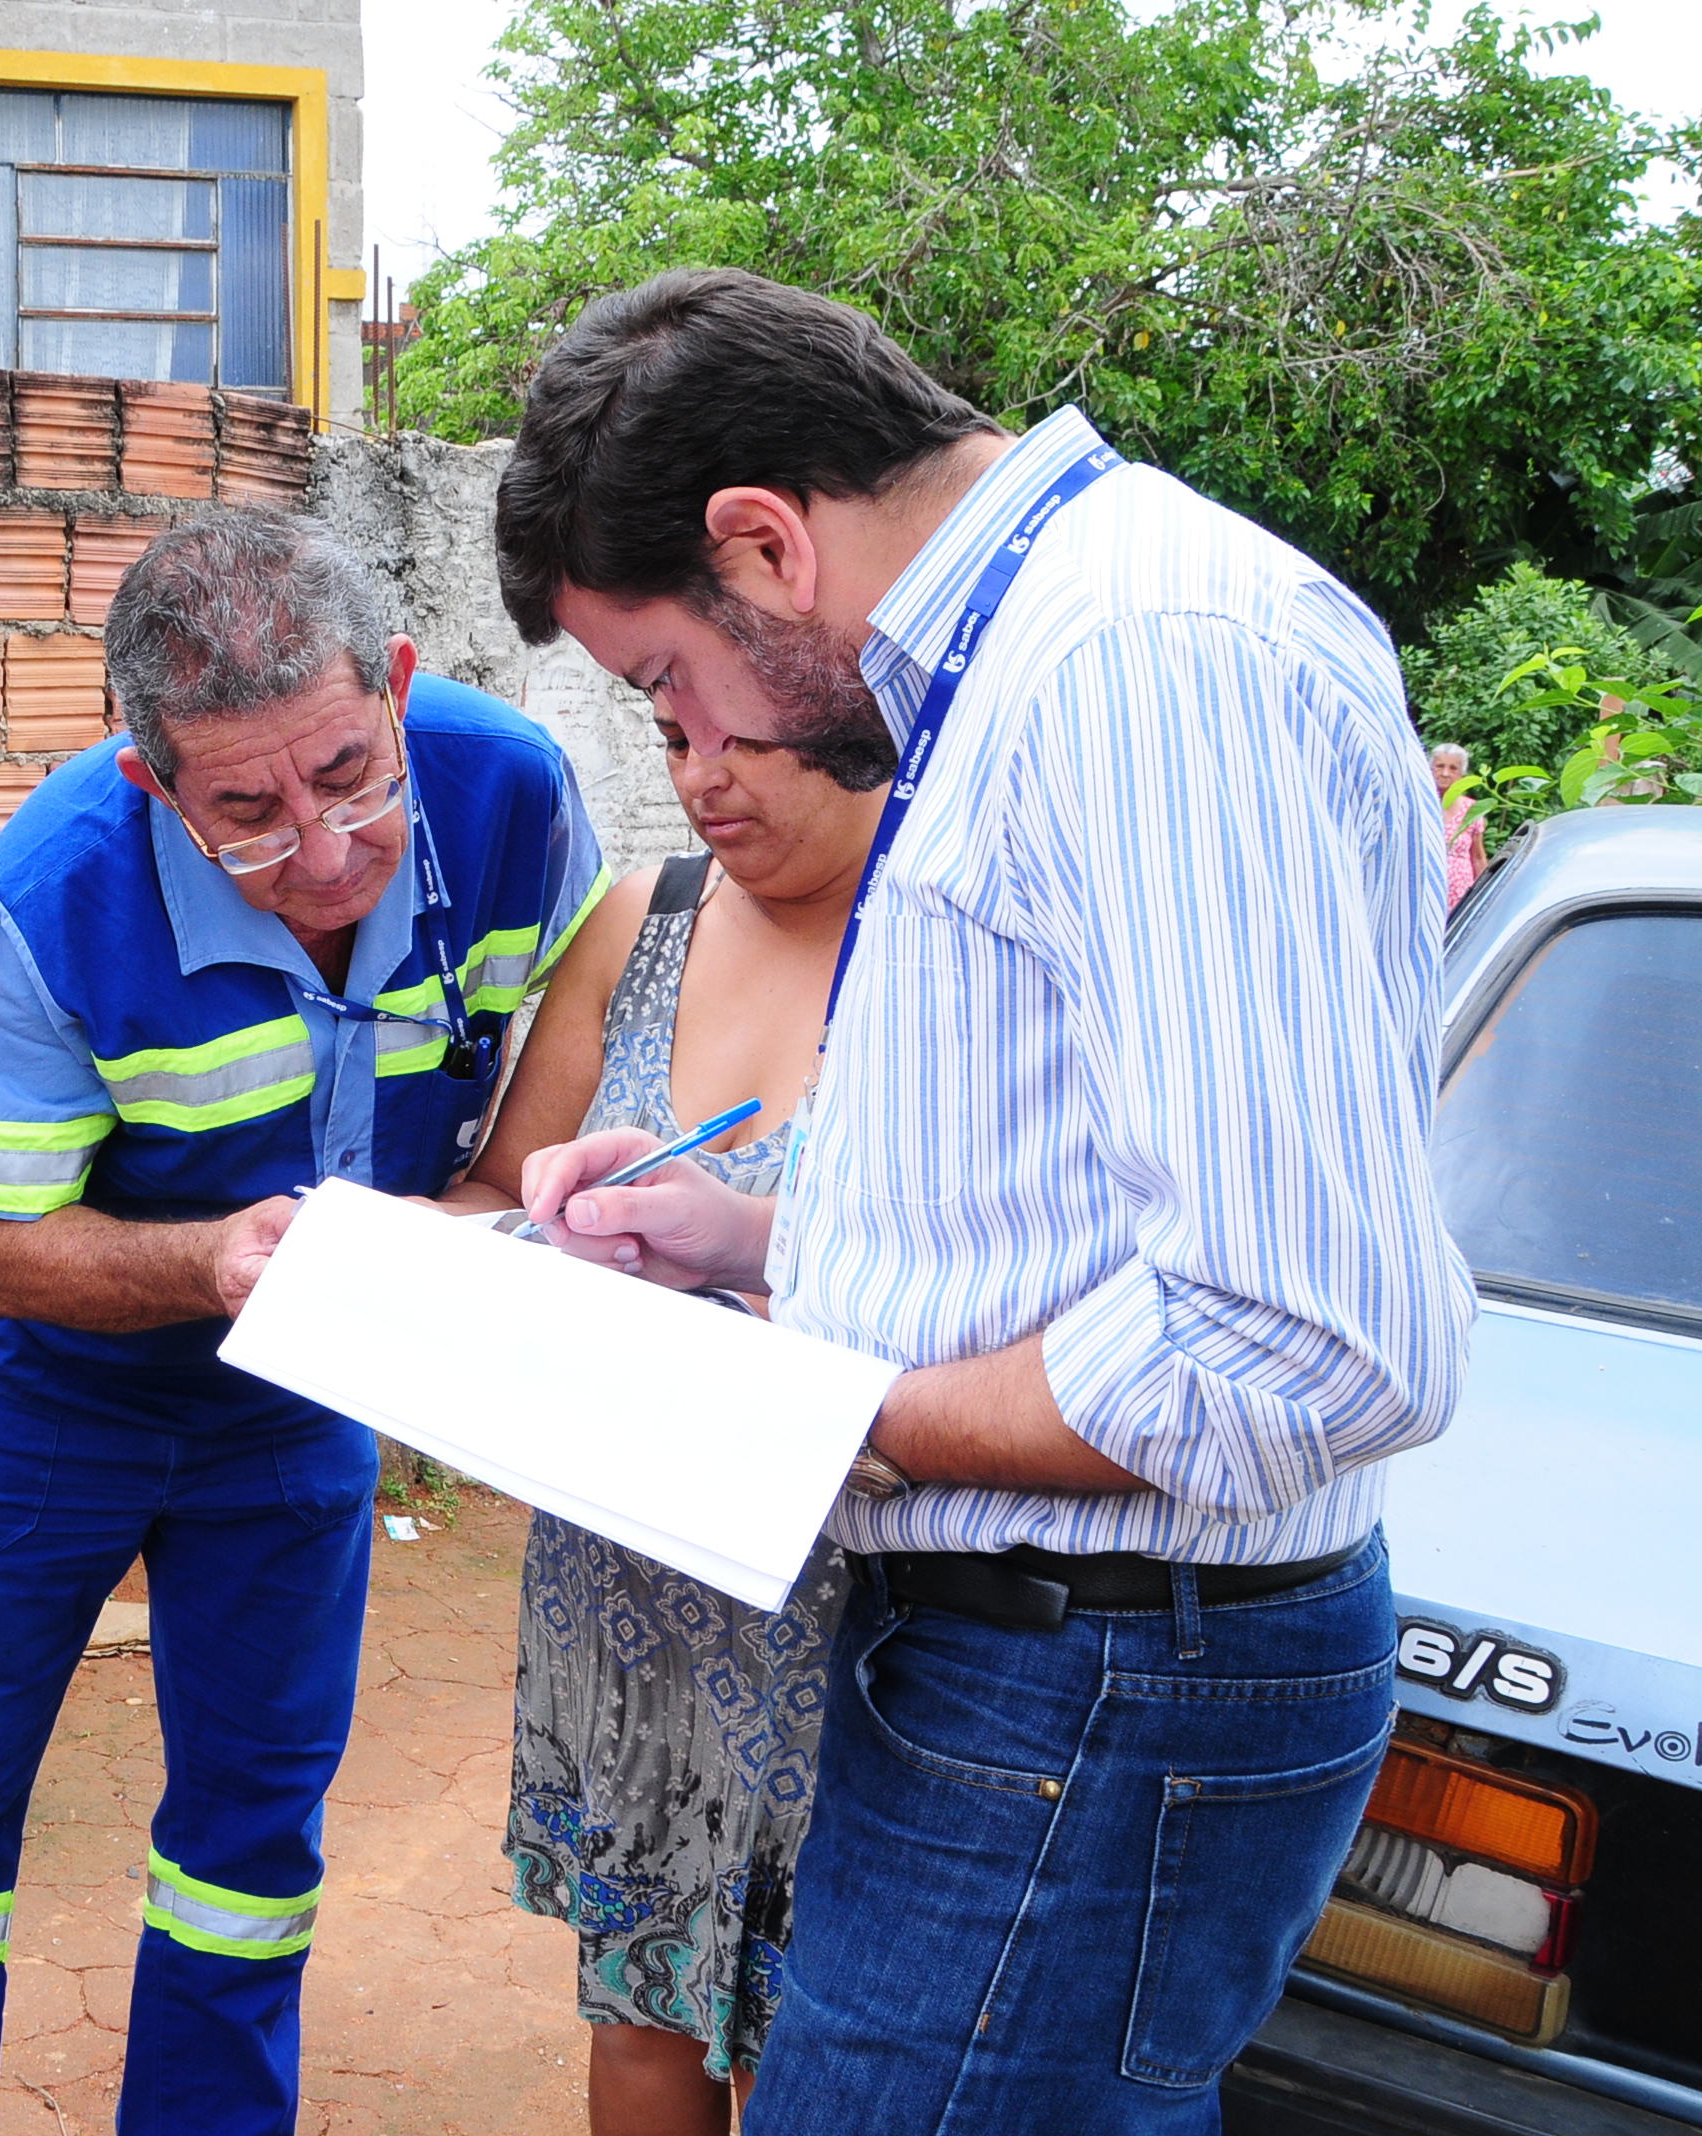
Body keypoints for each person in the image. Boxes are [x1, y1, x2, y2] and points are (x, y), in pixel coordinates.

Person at [494, 269, 1473, 2135]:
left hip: (1102, 1668)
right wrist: (771, 1244)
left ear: (762, 543)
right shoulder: (1035, 657)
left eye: (664, 680)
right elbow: (1108, 1196)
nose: (686, 737)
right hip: (1041, 1654)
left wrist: (828, 1410)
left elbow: (1297, 1333)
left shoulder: (1138, 660)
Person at [0, 508, 609, 2136]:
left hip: (304, 1376)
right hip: (32, 1386)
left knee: (252, 1835)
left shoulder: (512, 793)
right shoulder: (48, 898)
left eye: (347, 776)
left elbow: (562, 1071)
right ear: (150, 781)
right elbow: (4, 1249)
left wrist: (449, 1237)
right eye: (243, 812)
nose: (318, 852)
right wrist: (214, 1266)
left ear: (395, 684)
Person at [435, 674, 888, 2130]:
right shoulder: (646, 921)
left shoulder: (945, 947)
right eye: (676, 741)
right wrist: (518, 1246)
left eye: (744, 742)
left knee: (818, 2036)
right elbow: (498, 1190)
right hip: (633, 1584)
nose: (705, 778)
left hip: (858, 1597)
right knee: (640, 2005)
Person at [1429, 741, 1486, 908]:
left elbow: (1478, 857)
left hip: (1459, 894)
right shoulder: (1421, 806)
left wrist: (1483, 894)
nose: (1445, 773)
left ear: (1462, 774)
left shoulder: (1472, 810)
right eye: (1439, 766)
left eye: (1453, 768)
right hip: (1427, 887)